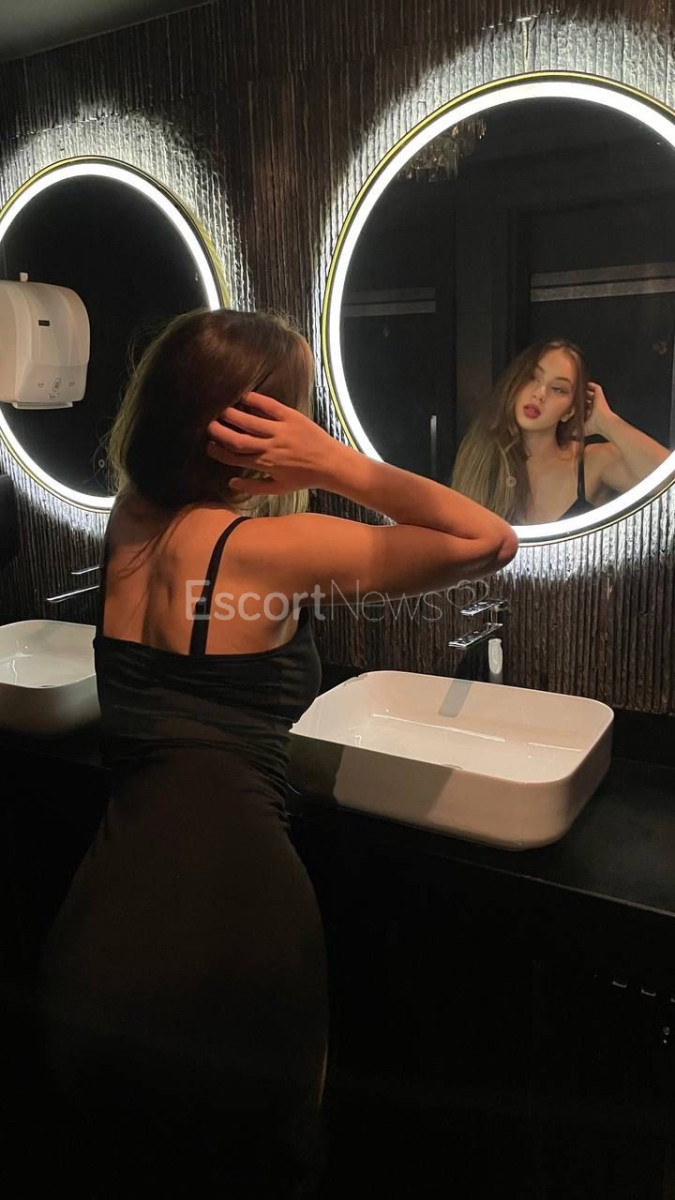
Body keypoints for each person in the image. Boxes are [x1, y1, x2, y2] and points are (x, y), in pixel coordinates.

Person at [37, 308, 518, 1198]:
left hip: (104, 917)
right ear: (257, 430)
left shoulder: (128, 520)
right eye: (297, 411)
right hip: (235, 919)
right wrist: (333, 464)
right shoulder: (266, 549)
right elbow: (487, 540)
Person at [451, 338, 671, 524]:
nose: (540, 394)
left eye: (558, 389)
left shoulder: (592, 462)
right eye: (532, 377)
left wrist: (607, 422)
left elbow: (669, 483)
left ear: (569, 411)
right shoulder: (482, 454)